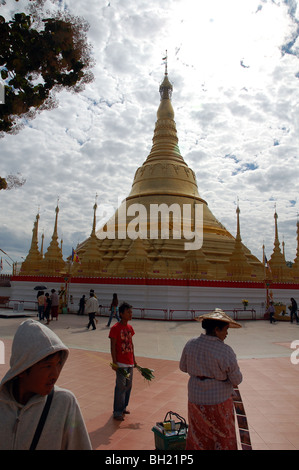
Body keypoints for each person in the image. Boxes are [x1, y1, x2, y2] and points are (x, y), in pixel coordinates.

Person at [0, 319, 91, 450]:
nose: (55, 374)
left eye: (59, 364)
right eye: (47, 366)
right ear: (22, 370)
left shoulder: (64, 404)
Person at [179, 308, 243, 450]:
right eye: (226, 329)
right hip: (218, 400)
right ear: (216, 329)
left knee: (198, 434)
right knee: (223, 435)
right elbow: (236, 379)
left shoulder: (190, 344)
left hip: (195, 396)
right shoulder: (225, 350)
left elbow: (183, 367)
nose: (227, 334)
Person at [109, 302, 136, 421]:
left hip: (129, 361)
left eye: (131, 312)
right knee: (120, 386)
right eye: (128, 312)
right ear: (121, 314)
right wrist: (114, 362)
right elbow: (113, 346)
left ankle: (124, 406)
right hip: (120, 363)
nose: (131, 314)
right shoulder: (115, 328)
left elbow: (131, 344)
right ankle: (117, 411)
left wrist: (134, 360)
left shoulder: (130, 328)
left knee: (128, 385)